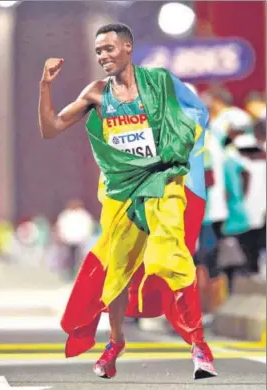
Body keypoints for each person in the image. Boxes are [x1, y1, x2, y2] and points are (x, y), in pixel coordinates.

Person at [38, 23, 217, 380]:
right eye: (98, 51)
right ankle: (115, 342)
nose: (103, 56)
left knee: (171, 256)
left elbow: (199, 113)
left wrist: (181, 147)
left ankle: (199, 345)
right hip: (122, 192)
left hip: (164, 181)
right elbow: (51, 128)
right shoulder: (96, 93)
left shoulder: (160, 81)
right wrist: (45, 85)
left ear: (128, 47)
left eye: (109, 48)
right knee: (116, 275)